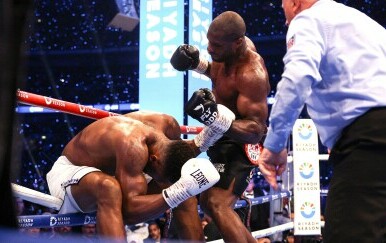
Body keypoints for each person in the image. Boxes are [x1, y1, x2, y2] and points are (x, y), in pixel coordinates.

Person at [256, 0, 386, 242]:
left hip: (369, 142)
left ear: (295, 3)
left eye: (283, 8)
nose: (285, 21)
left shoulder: (308, 19)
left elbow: (297, 79)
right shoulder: (365, 24)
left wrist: (274, 144)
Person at [171, 11, 270, 243]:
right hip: (222, 136)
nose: (209, 48)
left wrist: (214, 118)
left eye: (215, 45)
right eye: (208, 41)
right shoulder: (228, 53)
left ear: (237, 43)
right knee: (208, 202)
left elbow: (257, 130)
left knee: (217, 203)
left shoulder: (251, 74)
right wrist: (196, 64)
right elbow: (220, 74)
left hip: (242, 142)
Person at [46, 111, 220, 242]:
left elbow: (179, 153)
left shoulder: (168, 127)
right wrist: (177, 192)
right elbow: (128, 212)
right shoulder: (133, 145)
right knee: (109, 188)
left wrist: (205, 138)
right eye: (160, 175)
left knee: (186, 193)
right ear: (154, 159)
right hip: (71, 173)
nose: (159, 180)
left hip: (112, 172)